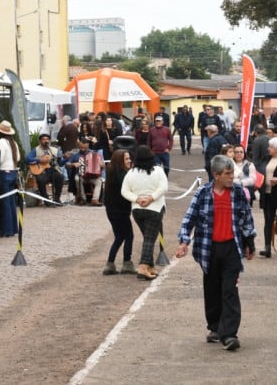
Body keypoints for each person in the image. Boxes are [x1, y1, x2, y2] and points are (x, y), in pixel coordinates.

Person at [176, 154, 256, 351]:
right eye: (228, 174)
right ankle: (214, 327)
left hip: (231, 248)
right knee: (212, 290)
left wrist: (250, 242)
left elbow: (246, 218)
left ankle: (229, 334)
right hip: (208, 249)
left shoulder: (238, 192)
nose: (232, 178)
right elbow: (189, 219)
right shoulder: (203, 193)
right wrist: (183, 242)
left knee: (230, 290)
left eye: (232, 174)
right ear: (216, 175)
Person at [121, 146, 168, 280]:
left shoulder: (131, 172)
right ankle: (143, 267)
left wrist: (137, 199)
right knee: (149, 239)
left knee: (149, 238)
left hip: (137, 210)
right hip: (154, 209)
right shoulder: (158, 170)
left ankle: (150, 266)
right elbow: (163, 187)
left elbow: (124, 191)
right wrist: (151, 198)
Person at [103, 149, 136, 275]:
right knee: (129, 236)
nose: (129, 161)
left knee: (119, 236)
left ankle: (110, 264)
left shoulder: (111, 171)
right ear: (120, 161)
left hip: (111, 210)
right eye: (126, 159)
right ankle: (127, 263)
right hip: (120, 210)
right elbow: (127, 190)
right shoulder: (122, 173)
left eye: (129, 158)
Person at [260, 136, 277, 257]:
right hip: (267, 193)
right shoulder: (266, 158)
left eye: (271, 147)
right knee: (268, 221)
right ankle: (267, 247)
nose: (268, 149)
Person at [0, 120, 20, 237]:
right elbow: (18, 157)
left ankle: (7, 229)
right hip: (13, 172)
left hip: (3, 172)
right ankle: (13, 228)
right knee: (11, 202)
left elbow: (0, 159)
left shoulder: (1, 142)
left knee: (4, 202)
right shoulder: (13, 143)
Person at [26, 133, 64, 206]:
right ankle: (46, 200)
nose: (45, 141)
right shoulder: (36, 150)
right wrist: (40, 160)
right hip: (42, 172)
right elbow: (27, 159)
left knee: (60, 177)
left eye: (47, 139)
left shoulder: (54, 150)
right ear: (40, 141)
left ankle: (57, 199)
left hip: (52, 170)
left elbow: (60, 163)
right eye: (43, 139)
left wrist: (66, 159)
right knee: (40, 180)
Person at [65, 138, 104, 205]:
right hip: (81, 175)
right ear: (79, 146)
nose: (82, 149)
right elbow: (67, 164)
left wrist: (101, 164)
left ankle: (95, 199)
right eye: (81, 147)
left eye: (84, 148)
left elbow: (103, 166)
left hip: (93, 175)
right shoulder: (75, 155)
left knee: (99, 181)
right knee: (77, 179)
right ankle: (83, 198)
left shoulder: (94, 153)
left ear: (88, 146)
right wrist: (73, 164)